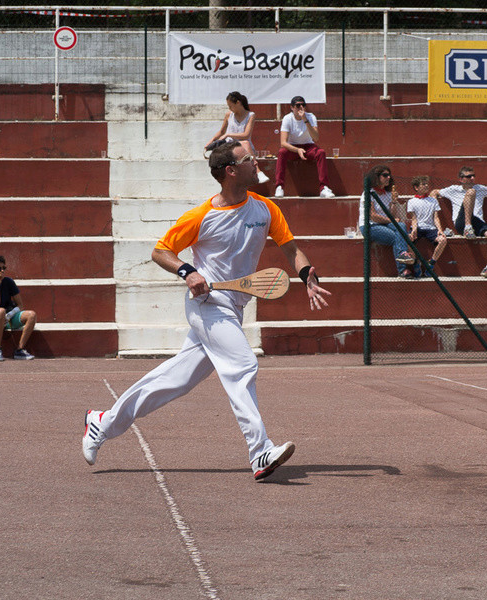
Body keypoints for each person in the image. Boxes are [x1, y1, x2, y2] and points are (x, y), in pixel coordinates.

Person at [82, 140, 332, 481]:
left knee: (176, 381)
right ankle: (260, 452)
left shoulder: (266, 209)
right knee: (242, 365)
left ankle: (103, 422)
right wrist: (188, 271)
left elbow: (291, 249)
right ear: (230, 171)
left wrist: (307, 274)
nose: (257, 160)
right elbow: (161, 250)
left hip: (234, 304)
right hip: (207, 304)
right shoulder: (201, 216)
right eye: (249, 159)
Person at [436, 166, 487, 279]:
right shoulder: (453, 189)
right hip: (461, 222)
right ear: (461, 179)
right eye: (468, 176)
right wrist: (433, 202)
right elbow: (435, 192)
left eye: (473, 176)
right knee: (471, 192)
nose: (472, 178)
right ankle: (468, 227)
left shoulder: (480, 188)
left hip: (477, 222)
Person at [358, 165, 418, 278]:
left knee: (400, 225)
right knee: (397, 236)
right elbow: (372, 216)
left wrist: (394, 201)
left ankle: (402, 255)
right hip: (370, 226)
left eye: (389, 175)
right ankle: (402, 269)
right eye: (385, 175)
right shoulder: (368, 193)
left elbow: (392, 215)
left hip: (385, 224)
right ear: (377, 177)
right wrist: (391, 220)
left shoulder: (388, 194)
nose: (388, 177)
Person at [0, 254, 37, 362]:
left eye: (4, 268)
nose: (2, 271)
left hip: (8, 317)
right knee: (0, 311)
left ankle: (20, 349)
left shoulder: (9, 282)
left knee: (31, 315)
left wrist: (10, 315)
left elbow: (20, 305)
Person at [274, 95, 335, 199]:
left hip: (308, 146)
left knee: (321, 153)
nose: (301, 108)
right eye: (298, 105)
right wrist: (297, 150)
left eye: (303, 105)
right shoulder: (287, 118)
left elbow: (315, 138)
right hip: (292, 148)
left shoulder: (310, 117)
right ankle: (279, 186)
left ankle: (324, 188)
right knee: (281, 152)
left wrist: (305, 120)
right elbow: (283, 143)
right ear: (292, 107)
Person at [205, 91, 270, 185]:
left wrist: (229, 134)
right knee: (245, 143)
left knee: (245, 143)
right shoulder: (229, 114)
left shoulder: (251, 115)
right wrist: (210, 142)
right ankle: (258, 171)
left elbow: (246, 135)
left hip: (244, 146)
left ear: (238, 103)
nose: (230, 108)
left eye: (231, 106)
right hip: (230, 145)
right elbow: (222, 132)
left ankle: (257, 171)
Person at [407, 175, 447, 278]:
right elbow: (414, 219)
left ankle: (431, 264)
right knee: (408, 239)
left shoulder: (433, 200)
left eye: (426, 184)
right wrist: (414, 230)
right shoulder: (411, 201)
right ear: (416, 187)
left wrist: (440, 230)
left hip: (431, 229)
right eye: (423, 184)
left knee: (443, 240)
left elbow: (436, 218)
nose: (426, 186)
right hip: (418, 228)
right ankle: (416, 263)